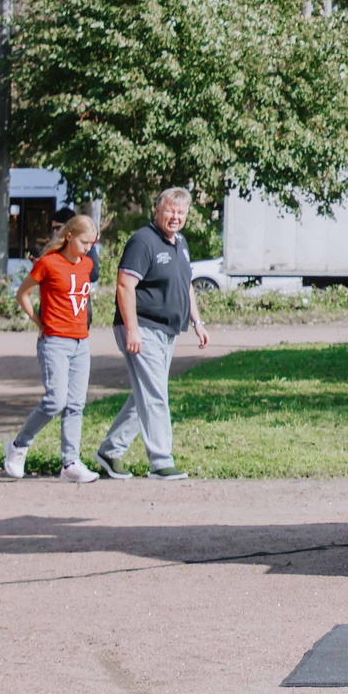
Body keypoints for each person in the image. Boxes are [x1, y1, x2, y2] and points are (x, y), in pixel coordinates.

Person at [93, 188, 210, 481]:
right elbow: (124, 286)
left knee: (145, 394)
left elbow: (186, 285)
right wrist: (132, 329)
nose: (175, 217)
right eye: (170, 211)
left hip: (168, 330)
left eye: (181, 212)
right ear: (157, 211)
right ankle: (160, 461)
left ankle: (110, 451)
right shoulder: (142, 241)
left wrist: (197, 321)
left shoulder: (180, 242)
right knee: (156, 394)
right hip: (142, 327)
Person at [2, 214, 103, 483]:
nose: (88, 248)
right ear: (69, 236)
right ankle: (18, 446)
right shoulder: (48, 263)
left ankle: (70, 463)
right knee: (55, 401)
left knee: (75, 405)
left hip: (81, 342)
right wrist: (37, 320)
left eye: (92, 243)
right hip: (55, 341)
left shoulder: (87, 264)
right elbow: (22, 293)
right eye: (84, 242)